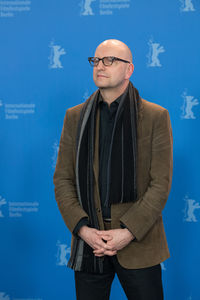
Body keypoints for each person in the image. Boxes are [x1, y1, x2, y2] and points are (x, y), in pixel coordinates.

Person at [53, 39, 173, 300]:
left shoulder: (155, 116)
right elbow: (63, 179)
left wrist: (127, 232)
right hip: (90, 244)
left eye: (110, 60)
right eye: (96, 60)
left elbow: (160, 184)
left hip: (138, 243)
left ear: (129, 69)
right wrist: (84, 230)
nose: (100, 66)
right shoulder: (75, 117)